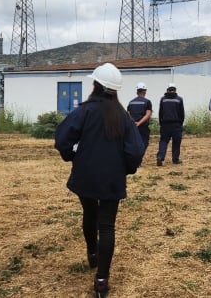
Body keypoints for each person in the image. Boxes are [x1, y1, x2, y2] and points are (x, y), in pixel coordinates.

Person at [54, 62, 145, 298]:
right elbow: (135, 149)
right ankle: (102, 281)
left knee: (89, 214)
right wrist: (127, 169)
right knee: (107, 225)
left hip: (86, 175)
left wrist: (71, 157)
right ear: (115, 89)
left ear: (96, 85)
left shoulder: (84, 111)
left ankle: (92, 254)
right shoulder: (122, 116)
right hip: (112, 178)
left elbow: (62, 137)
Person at [157, 83, 185, 166]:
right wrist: (180, 124)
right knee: (176, 142)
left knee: (163, 141)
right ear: (175, 90)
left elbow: (160, 113)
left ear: (167, 90)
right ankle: (175, 159)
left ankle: (160, 157)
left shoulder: (163, 99)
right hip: (176, 124)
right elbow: (181, 113)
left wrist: (161, 123)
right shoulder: (179, 99)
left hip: (165, 124)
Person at [126, 82, 153, 150]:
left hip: (133, 127)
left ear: (137, 92)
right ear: (145, 91)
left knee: (134, 143)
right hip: (143, 127)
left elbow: (128, 114)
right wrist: (139, 123)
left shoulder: (131, 102)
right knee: (144, 143)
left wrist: (133, 122)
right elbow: (148, 114)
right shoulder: (147, 102)